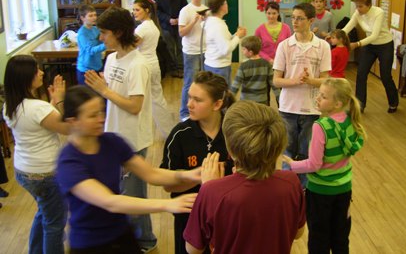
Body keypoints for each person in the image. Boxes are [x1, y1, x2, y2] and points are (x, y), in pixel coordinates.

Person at [57, 85, 201, 254]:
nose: (101, 119)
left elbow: (151, 174)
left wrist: (189, 175)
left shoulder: (111, 142)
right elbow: (110, 202)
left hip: (121, 234)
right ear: (73, 121)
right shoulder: (69, 162)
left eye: (101, 112)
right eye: (92, 115)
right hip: (89, 245)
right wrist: (167, 204)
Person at [184, 101, 306, 254]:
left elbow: (192, 249)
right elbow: (298, 233)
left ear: (232, 151)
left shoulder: (212, 191)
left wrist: (211, 187)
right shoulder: (291, 182)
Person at [84, 7, 156, 252]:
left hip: (133, 140)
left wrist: (104, 90)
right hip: (114, 136)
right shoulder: (112, 58)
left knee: (133, 199)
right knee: (125, 196)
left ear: (118, 32)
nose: (101, 38)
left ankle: (144, 243)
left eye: (104, 33)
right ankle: (146, 239)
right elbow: (114, 97)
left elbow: (135, 106)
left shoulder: (138, 65)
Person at [283, 78, 365, 253]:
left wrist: (292, 164)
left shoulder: (322, 126)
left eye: (323, 96)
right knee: (341, 236)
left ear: (338, 103)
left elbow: (314, 164)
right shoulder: (349, 119)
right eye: (319, 94)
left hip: (320, 191)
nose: (318, 99)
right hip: (344, 189)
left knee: (318, 238)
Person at [160, 71, 235, 254]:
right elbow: (168, 186)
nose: (189, 104)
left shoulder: (234, 134)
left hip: (226, 216)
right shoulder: (179, 135)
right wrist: (201, 177)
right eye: (189, 97)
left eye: (197, 100)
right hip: (189, 217)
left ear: (217, 104)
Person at [3, 55, 69, 254]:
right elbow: (66, 128)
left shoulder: (10, 105)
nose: (41, 73)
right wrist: (59, 101)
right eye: (36, 71)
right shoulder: (37, 108)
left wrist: (51, 103)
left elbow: (39, 122)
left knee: (44, 213)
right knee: (55, 224)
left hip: (24, 171)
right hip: (46, 174)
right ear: (25, 77)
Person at [273, 3, 331, 186]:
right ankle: (287, 190)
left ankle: (304, 191)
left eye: (300, 18)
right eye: (293, 18)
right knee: (288, 153)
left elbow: (325, 81)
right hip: (288, 108)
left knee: (307, 153)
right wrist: (295, 81)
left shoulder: (323, 46)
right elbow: (276, 80)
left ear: (311, 20)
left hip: (311, 110)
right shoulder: (284, 46)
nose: (295, 22)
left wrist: (310, 81)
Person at [342, 0, 399, 113]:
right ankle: (359, 106)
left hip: (385, 45)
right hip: (369, 46)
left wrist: (357, 44)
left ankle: (393, 102)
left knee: (385, 76)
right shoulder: (358, 13)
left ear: (369, 5)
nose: (358, 9)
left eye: (361, 6)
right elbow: (347, 28)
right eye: (357, 6)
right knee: (361, 74)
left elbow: (374, 35)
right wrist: (335, 36)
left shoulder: (379, 13)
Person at [133, 0, 176, 138]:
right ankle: (169, 132)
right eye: (133, 10)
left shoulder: (142, 28)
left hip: (145, 67)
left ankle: (168, 133)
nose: (134, 12)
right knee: (156, 100)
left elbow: (131, 47)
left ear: (147, 10)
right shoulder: (152, 25)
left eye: (137, 9)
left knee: (148, 102)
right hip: (152, 64)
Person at [178, 0, 208, 121]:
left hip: (206, 50)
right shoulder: (185, 10)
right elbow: (182, 32)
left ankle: (201, 109)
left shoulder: (206, 10)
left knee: (204, 82)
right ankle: (184, 113)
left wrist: (205, 21)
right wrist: (194, 21)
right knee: (189, 82)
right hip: (191, 52)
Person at [203, 0, 247, 85]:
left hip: (213, 65)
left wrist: (236, 35)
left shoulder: (212, 21)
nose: (227, 6)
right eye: (226, 3)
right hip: (219, 67)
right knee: (222, 96)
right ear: (221, 7)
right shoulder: (218, 25)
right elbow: (225, 49)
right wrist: (238, 36)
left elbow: (223, 41)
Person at [154, 0, 188, 78]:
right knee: (169, 48)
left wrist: (179, 19)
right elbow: (158, 12)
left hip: (179, 25)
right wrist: (169, 19)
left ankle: (181, 68)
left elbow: (185, 8)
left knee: (180, 47)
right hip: (166, 26)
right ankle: (173, 69)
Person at [230, 35, 280, 105]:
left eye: (244, 49)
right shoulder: (266, 64)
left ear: (250, 52)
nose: (242, 51)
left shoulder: (243, 66)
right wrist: (279, 98)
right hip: (262, 102)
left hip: (246, 103)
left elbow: (235, 86)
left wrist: (228, 101)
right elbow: (274, 84)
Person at [76, 5, 106, 85]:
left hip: (98, 66)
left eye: (95, 15)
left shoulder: (96, 29)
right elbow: (90, 51)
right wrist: (107, 44)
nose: (94, 18)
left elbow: (101, 41)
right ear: (82, 18)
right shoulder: (82, 33)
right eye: (90, 16)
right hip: (86, 70)